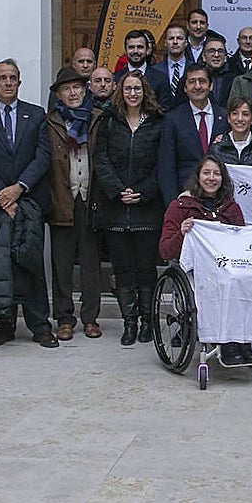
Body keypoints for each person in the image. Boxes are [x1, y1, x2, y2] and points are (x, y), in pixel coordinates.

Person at [0, 59, 57, 348]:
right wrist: (2, 195)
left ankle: (40, 325)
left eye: (13, 78)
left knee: (31, 265)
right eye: (2, 78)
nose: (7, 82)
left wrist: (18, 189)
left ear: (19, 82)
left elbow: (43, 157)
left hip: (27, 203)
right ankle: (3, 325)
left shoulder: (36, 114)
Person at [93, 71, 164, 346]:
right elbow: (101, 159)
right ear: (120, 92)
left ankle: (148, 321)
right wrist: (117, 190)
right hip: (116, 208)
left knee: (146, 268)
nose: (132, 93)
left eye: (137, 88)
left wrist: (144, 192)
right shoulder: (110, 122)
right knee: (122, 269)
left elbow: (163, 162)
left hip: (146, 209)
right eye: (128, 88)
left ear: (144, 91)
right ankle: (129, 322)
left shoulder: (158, 123)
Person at [158, 155, 252, 364]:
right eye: (206, 173)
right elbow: (165, 250)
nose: (212, 178)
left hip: (228, 267)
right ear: (197, 177)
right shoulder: (180, 206)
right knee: (221, 286)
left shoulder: (231, 208)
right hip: (196, 272)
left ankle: (245, 340)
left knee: (244, 281)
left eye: (217, 173)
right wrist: (182, 234)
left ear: (223, 179)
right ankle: (227, 344)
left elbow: (243, 243)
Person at [46, 66, 106, 341]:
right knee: (62, 263)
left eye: (78, 88)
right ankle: (64, 317)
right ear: (59, 94)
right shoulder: (50, 123)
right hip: (62, 199)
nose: (73, 92)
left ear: (86, 90)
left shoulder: (98, 119)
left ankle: (91, 318)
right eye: (67, 88)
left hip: (90, 199)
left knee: (91, 263)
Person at [157, 63, 229, 207]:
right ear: (185, 88)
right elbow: (167, 166)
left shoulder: (225, 116)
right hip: (185, 197)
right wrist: (174, 205)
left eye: (202, 81)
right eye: (192, 82)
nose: (197, 86)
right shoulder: (173, 119)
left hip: (221, 200)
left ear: (211, 86)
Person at [208, 96, 252, 167]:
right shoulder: (216, 150)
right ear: (229, 118)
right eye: (235, 113)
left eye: (245, 114)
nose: (240, 119)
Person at [115, 29, 173, 109]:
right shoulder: (116, 78)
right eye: (131, 47)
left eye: (140, 47)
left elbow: (165, 109)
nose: (136, 51)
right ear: (125, 50)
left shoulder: (161, 78)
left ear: (147, 50)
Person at [151, 24, 190, 109]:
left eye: (179, 38)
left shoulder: (194, 69)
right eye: (171, 38)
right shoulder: (154, 70)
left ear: (186, 43)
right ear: (165, 43)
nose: (175, 42)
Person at [200, 36, 239, 109]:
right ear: (204, 56)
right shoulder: (195, 78)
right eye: (212, 51)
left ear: (225, 57)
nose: (216, 55)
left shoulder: (235, 79)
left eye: (220, 51)